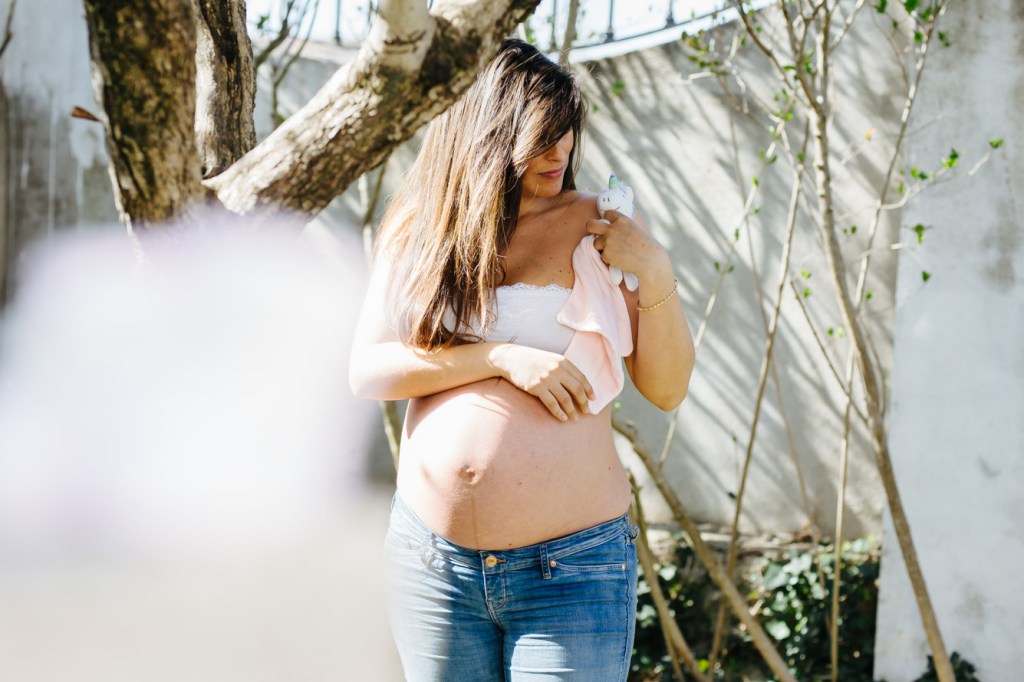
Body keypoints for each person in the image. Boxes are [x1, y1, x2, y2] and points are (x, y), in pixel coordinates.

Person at [349, 38, 695, 682]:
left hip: (571, 572)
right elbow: (369, 371)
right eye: (540, 137)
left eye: (566, 132)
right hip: (432, 567)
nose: (559, 152)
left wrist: (654, 269)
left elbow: (668, 389)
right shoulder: (422, 225)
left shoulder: (600, 225)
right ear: (489, 133)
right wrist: (503, 358)